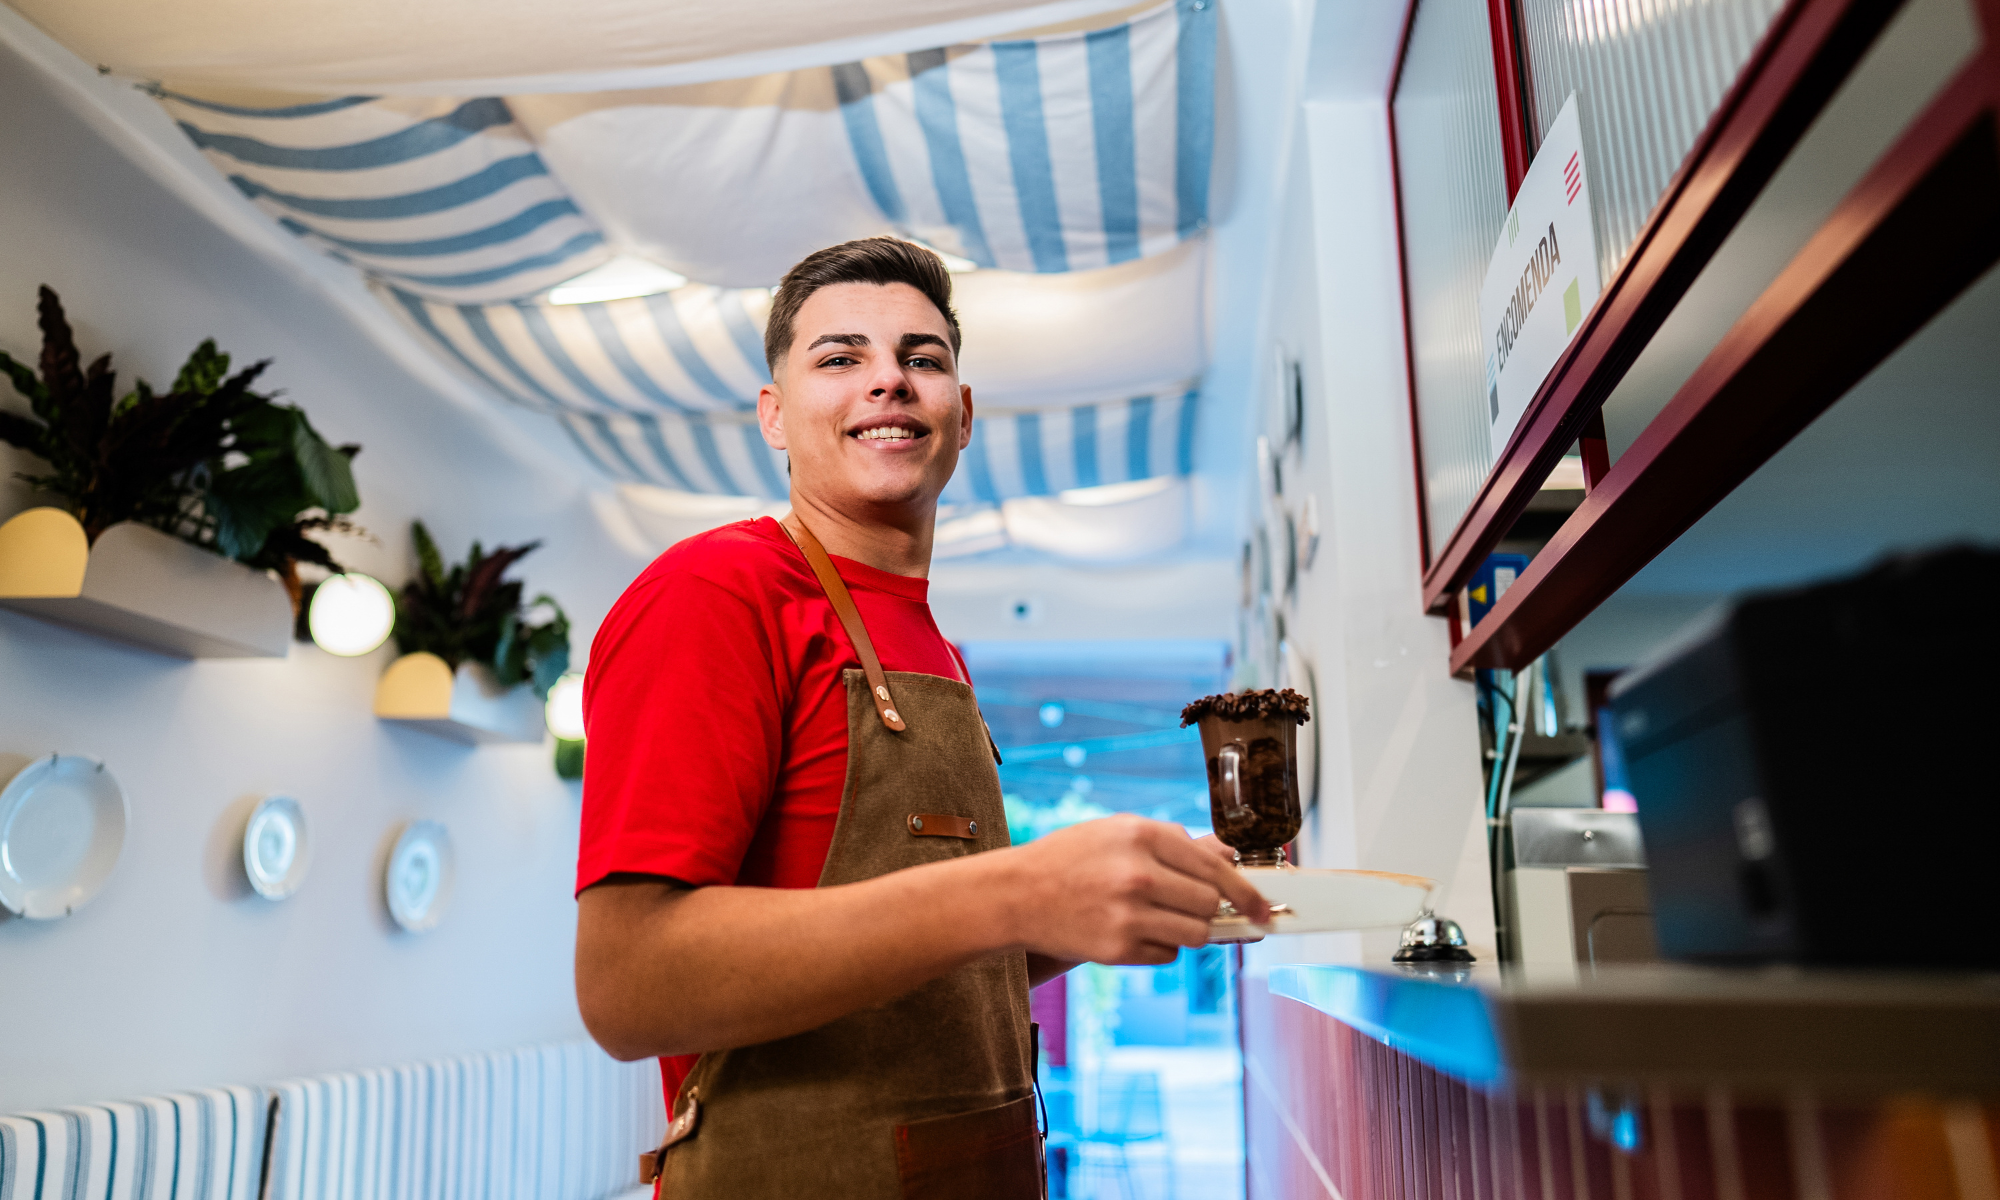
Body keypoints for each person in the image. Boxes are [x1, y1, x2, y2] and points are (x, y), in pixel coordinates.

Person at [573, 236, 1268, 1200]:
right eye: (840, 358)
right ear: (774, 415)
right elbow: (627, 986)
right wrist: (1015, 890)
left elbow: (936, 969)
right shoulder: (715, 593)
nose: (888, 382)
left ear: (964, 413)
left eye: (923, 358)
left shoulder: (934, 646)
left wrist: (1130, 893)